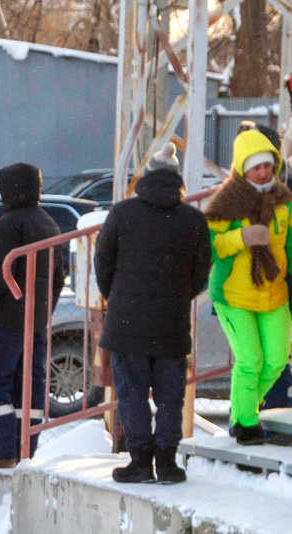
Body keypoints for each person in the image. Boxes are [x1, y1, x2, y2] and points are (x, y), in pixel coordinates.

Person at [94, 154, 212, 484]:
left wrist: (117, 297)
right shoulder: (193, 219)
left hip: (127, 323)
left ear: (144, 178)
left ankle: (141, 461)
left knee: (131, 394)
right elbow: (202, 272)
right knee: (170, 395)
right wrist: (177, 297)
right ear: (177, 181)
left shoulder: (121, 213)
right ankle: (168, 462)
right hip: (171, 324)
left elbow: (102, 263)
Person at [207, 127, 292, 448]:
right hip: (234, 296)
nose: (263, 172)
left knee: (276, 359)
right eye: (255, 166)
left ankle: (242, 408)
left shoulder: (285, 204)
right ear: (242, 168)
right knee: (250, 359)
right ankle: (245, 422)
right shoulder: (226, 203)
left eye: (268, 165)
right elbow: (210, 244)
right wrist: (242, 238)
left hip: (274, 296)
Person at [0, 162, 64, 469]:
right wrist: (42, 313)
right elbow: (57, 279)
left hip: (4, 322)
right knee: (28, 386)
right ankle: (24, 450)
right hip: (34, 324)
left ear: (10, 191)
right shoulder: (49, 224)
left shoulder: (7, 225)